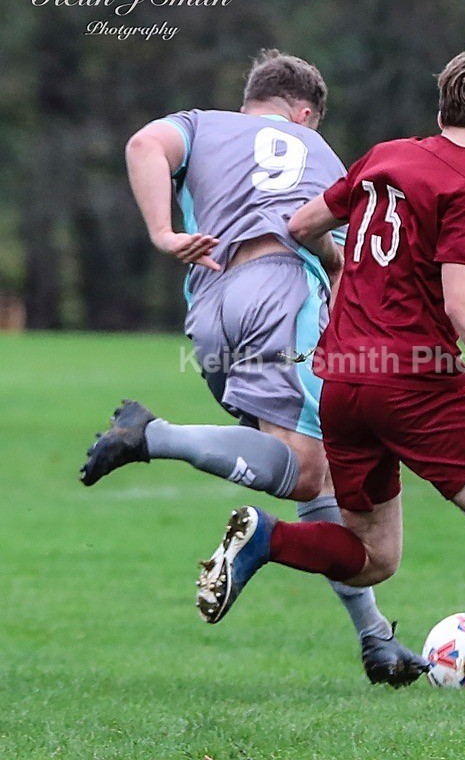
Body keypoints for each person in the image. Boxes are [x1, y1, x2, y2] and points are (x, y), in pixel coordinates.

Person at [196, 44, 465, 703]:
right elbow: (464, 305)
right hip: (418, 386)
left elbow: (303, 222)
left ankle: (269, 539)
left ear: (442, 108)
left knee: (376, 557)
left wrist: (346, 258)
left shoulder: (384, 156)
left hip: (344, 383)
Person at [79, 49, 429, 687]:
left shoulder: (202, 124)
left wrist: (161, 231)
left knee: (314, 471)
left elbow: (141, 145)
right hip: (280, 292)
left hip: (209, 305)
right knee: (304, 469)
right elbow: (328, 246)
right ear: (304, 113)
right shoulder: (319, 153)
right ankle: (149, 435)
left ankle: (377, 640)